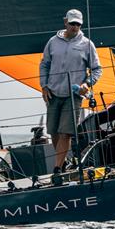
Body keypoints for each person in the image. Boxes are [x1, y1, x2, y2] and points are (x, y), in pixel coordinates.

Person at [39, 9, 102, 175]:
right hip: (53, 92)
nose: (75, 27)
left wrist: (87, 84)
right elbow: (44, 64)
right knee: (53, 131)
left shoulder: (87, 44)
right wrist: (44, 85)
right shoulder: (53, 42)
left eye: (78, 24)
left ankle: (57, 168)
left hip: (73, 95)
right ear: (65, 21)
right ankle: (64, 161)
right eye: (72, 23)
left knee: (65, 132)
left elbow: (97, 69)